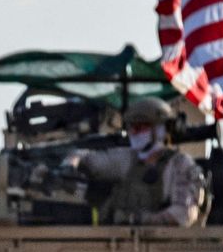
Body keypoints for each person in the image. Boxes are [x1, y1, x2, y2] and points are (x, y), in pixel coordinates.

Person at [64, 97, 207, 227]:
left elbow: (183, 214)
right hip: (118, 243)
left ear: (161, 129)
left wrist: (139, 220)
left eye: (140, 127)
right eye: (131, 127)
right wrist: (70, 163)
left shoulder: (180, 164)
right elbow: (89, 160)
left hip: (164, 248)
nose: (133, 133)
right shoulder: (128, 158)